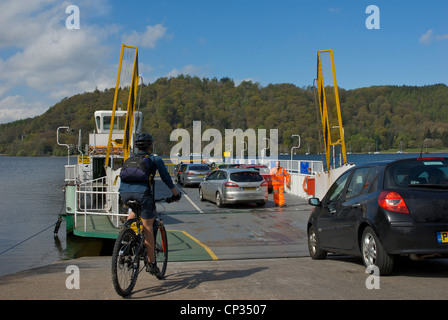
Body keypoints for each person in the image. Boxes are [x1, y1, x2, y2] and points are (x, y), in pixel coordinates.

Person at [119, 133, 180, 276]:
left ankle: (124, 233)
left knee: (134, 211)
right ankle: (151, 264)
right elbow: (166, 179)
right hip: (143, 195)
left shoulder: (129, 159)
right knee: (148, 228)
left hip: (125, 195)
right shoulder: (155, 159)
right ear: (150, 145)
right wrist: (175, 194)